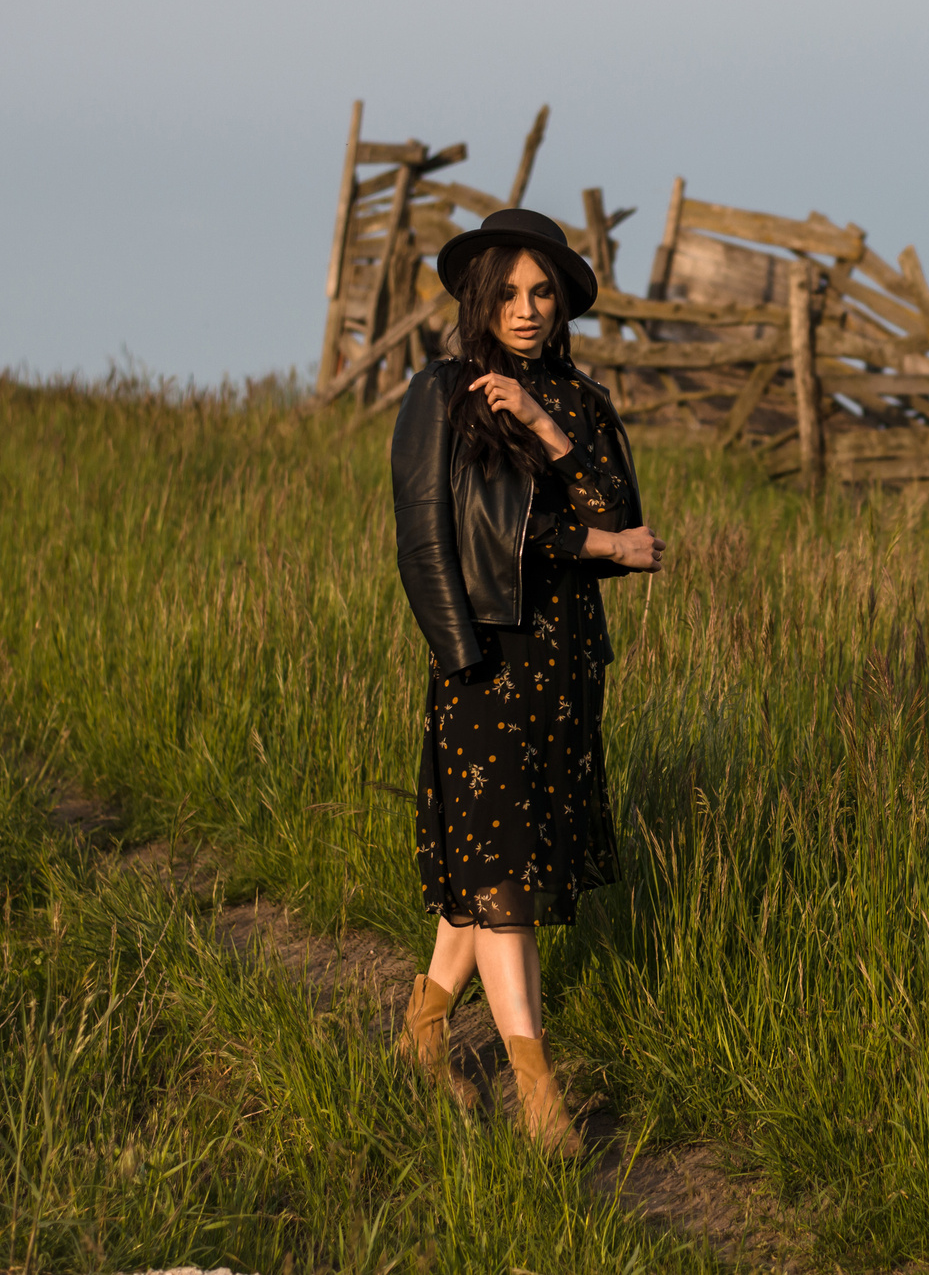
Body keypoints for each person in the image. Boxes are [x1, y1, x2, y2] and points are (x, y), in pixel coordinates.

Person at [387, 206, 664, 1156]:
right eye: (506, 291)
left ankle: (425, 1024)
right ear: (478, 297)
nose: (525, 307)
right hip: (485, 658)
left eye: (541, 290)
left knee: (499, 865)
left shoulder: (578, 401)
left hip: (566, 662)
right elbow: (430, 534)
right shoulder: (445, 391)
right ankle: (537, 1088)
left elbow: (622, 519)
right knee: (502, 879)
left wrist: (544, 421)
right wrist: (455, 650)